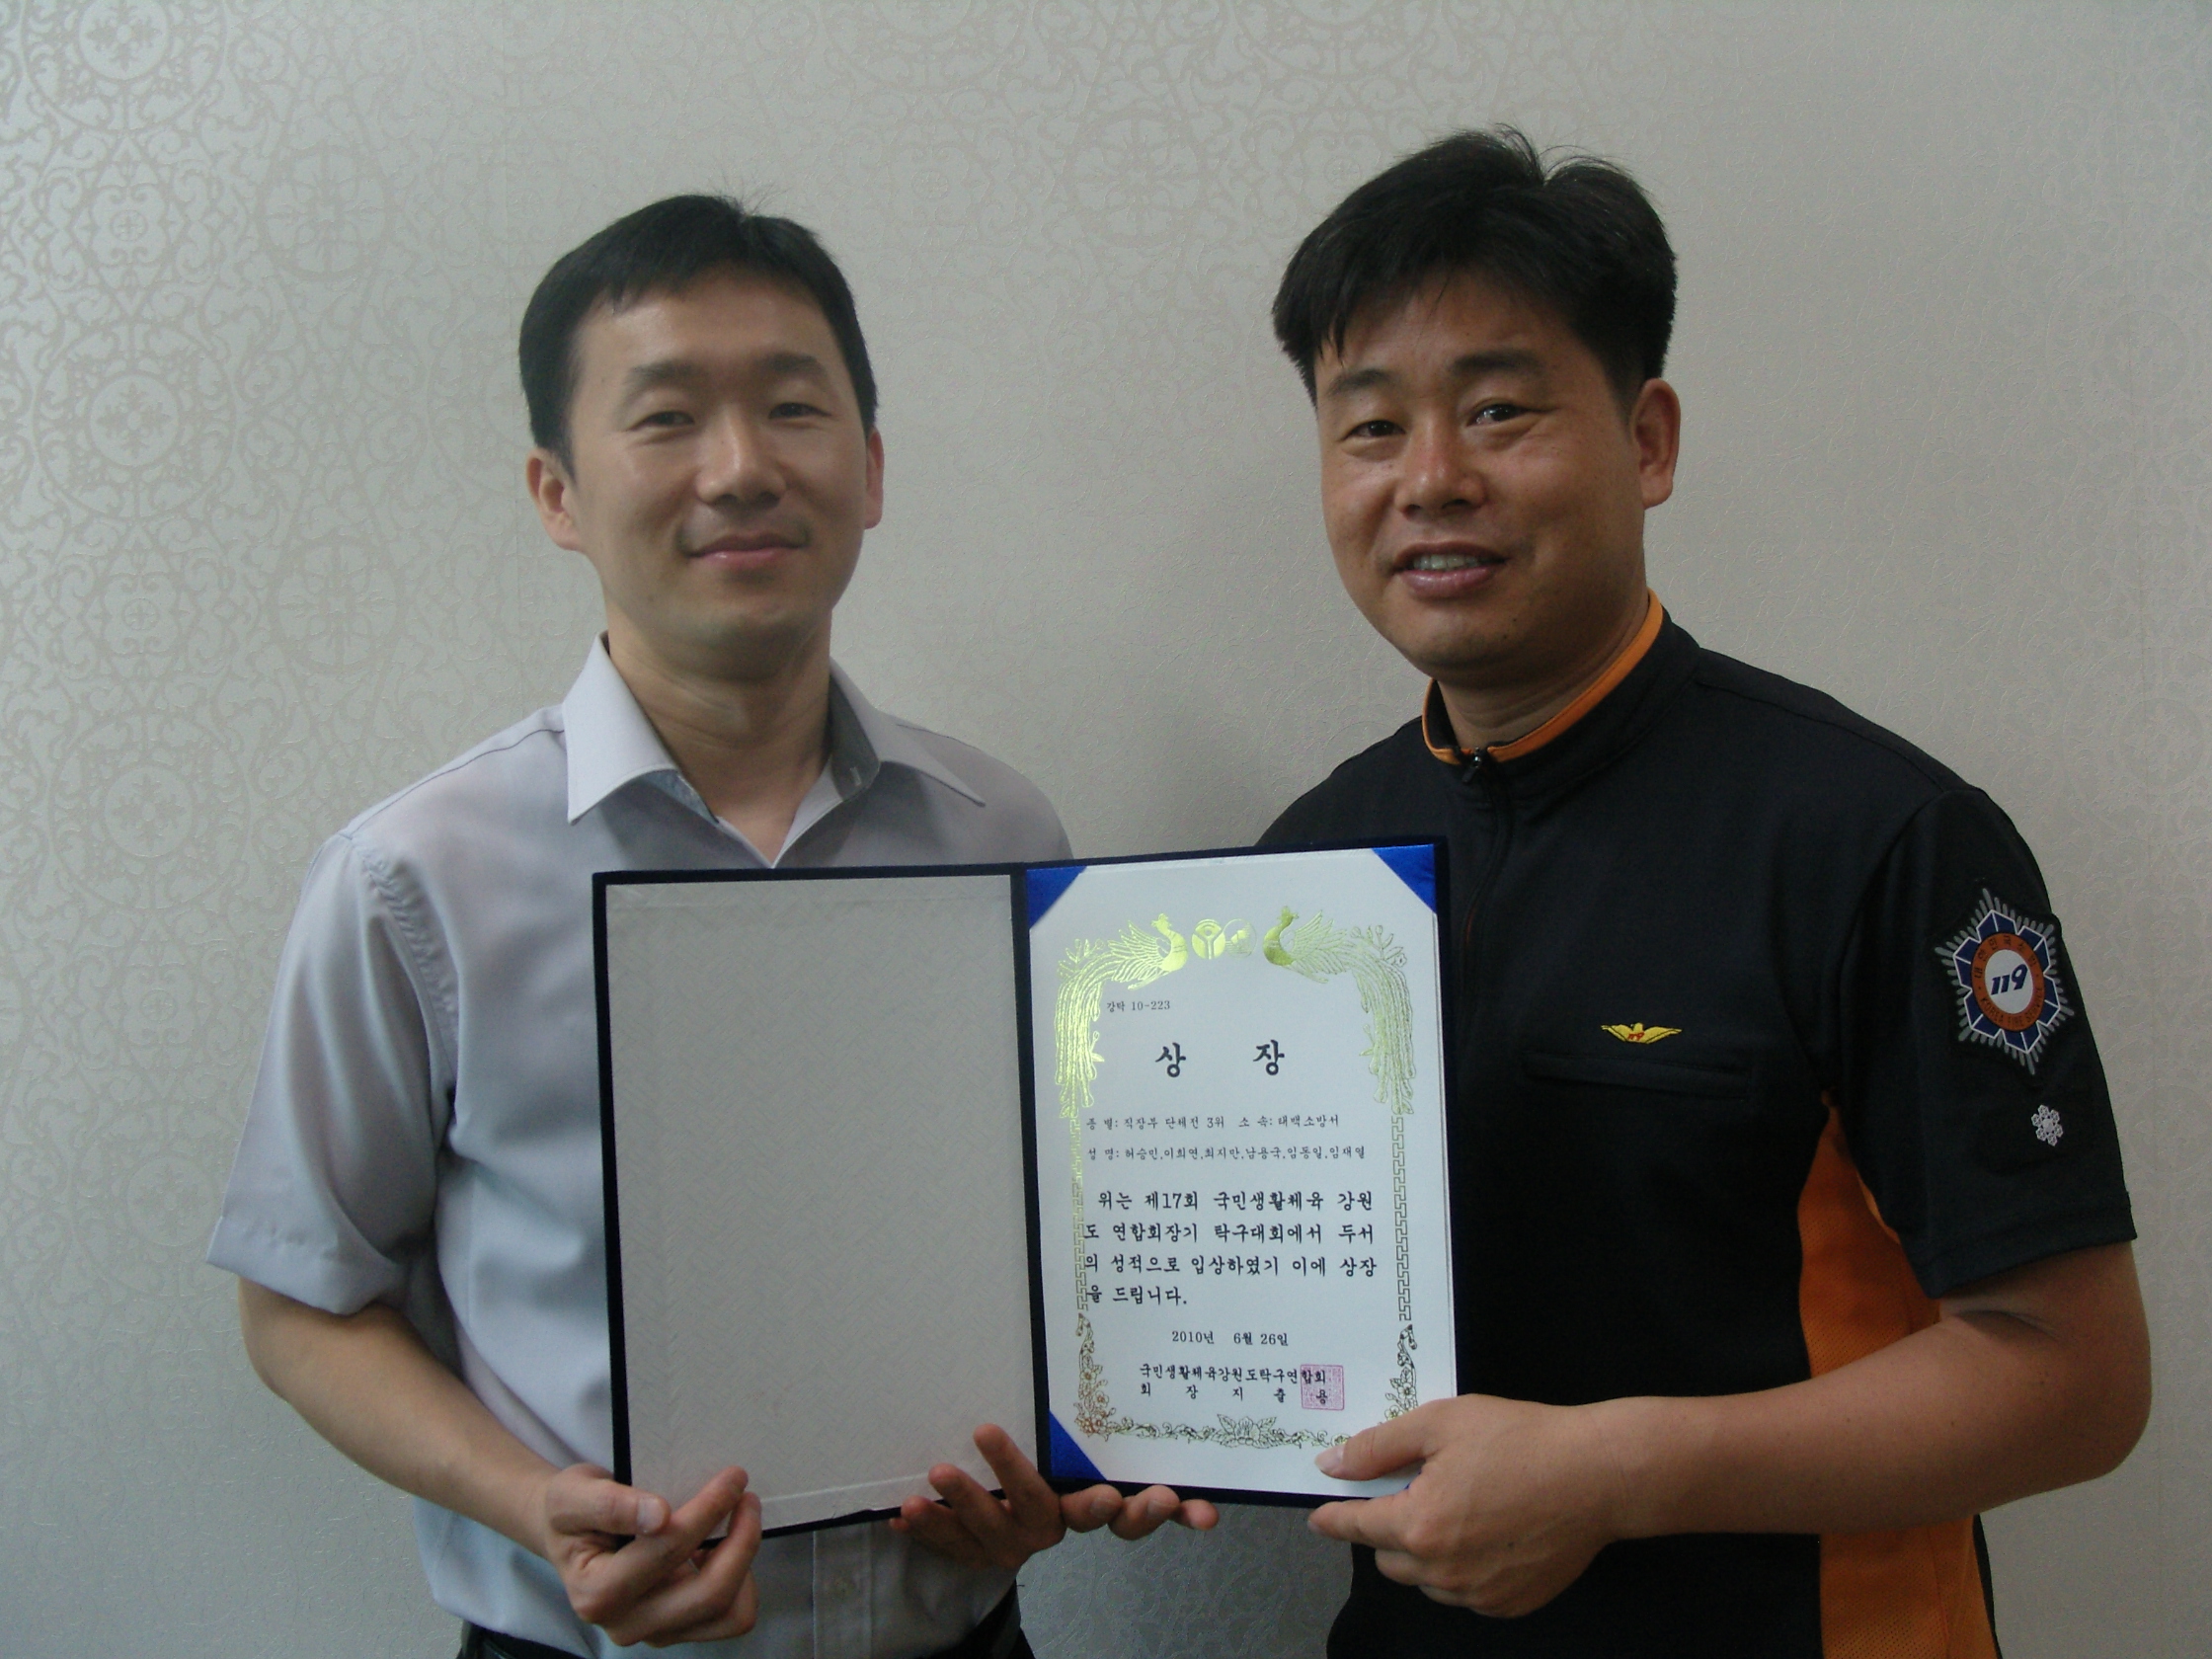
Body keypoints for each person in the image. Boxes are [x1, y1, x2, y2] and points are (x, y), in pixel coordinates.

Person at [208, 195, 1214, 1659]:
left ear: (870, 469)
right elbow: (302, 1305)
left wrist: (1061, 1467)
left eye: (793, 409)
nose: (741, 468)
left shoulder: (1002, 833)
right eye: (667, 417)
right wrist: (530, 1504)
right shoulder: (412, 879)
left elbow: (1074, 1244)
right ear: (557, 493)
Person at [1261, 130, 2149, 1658]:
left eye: (1498, 410)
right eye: (1372, 428)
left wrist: (1612, 1477)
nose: (1432, 480)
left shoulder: (1881, 837)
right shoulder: (1303, 869)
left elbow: (2071, 1377)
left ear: (1648, 439)